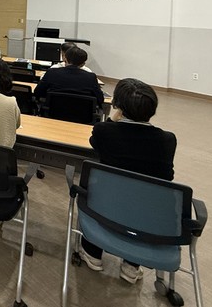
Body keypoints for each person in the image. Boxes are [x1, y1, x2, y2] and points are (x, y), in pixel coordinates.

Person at [78, 78, 177, 284]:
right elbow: (167, 177)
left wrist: (111, 119)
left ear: (118, 106)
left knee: (96, 191)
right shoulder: (167, 140)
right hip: (145, 215)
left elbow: (94, 142)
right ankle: (131, 266)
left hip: (103, 206)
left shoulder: (105, 132)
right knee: (140, 197)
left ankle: (92, 254)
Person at [34, 45, 104, 106]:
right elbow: (100, 99)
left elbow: (38, 92)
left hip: (52, 113)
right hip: (82, 115)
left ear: (65, 59)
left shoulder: (51, 72)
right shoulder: (91, 77)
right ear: (83, 64)